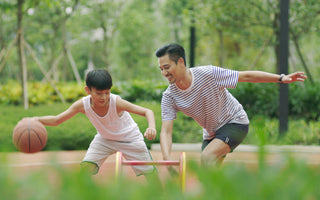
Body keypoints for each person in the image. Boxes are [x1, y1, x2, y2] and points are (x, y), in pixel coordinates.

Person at [155, 43, 307, 167]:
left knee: (206, 157)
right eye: (161, 69)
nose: (164, 73)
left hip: (235, 122)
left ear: (180, 62)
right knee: (210, 174)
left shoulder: (209, 74)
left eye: (167, 67)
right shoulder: (169, 96)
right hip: (211, 134)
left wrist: (281, 78)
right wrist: (167, 158)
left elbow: (246, 76)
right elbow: (166, 132)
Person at [23, 69, 158, 179]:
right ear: (88, 90)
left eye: (107, 92)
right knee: (85, 169)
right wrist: (35, 119)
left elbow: (147, 111)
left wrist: (151, 127)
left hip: (130, 139)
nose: (104, 97)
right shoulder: (82, 105)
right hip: (104, 140)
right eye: (99, 94)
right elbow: (58, 120)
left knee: (151, 177)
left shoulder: (116, 102)